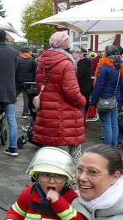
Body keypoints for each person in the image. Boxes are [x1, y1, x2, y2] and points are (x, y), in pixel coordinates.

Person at [33, 31, 85, 165]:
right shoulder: (66, 63)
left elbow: (39, 86)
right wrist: (82, 101)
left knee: (50, 151)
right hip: (66, 112)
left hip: (47, 112)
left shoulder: (42, 61)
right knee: (75, 149)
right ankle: (74, 180)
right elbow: (72, 92)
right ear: (65, 44)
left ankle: (49, 177)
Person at [89, 45, 123, 148]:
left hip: (104, 99)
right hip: (115, 99)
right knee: (114, 124)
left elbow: (98, 86)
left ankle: (107, 149)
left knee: (106, 124)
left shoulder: (104, 68)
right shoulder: (121, 67)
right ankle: (113, 148)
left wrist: (93, 102)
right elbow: (120, 85)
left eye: (104, 52)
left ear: (107, 53)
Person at [15, 46, 36, 118]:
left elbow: (15, 71)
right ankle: (25, 113)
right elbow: (34, 72)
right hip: (28, 82)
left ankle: (9, 110)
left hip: (18, 82)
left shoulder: (17, 59)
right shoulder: (32, 60)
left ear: (20, 52)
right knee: (26, 98)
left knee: (13, 96)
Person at [74, 50, 92, 118]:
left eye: (75, 58)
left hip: (82, 88)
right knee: (85, 103)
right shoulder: (86, 63)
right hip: (86, 87)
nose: (74, 60)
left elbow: (77, 77)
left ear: (78, 57)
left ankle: (82, 118)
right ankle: (84, 117)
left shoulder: (81, 64)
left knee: (82, 105)